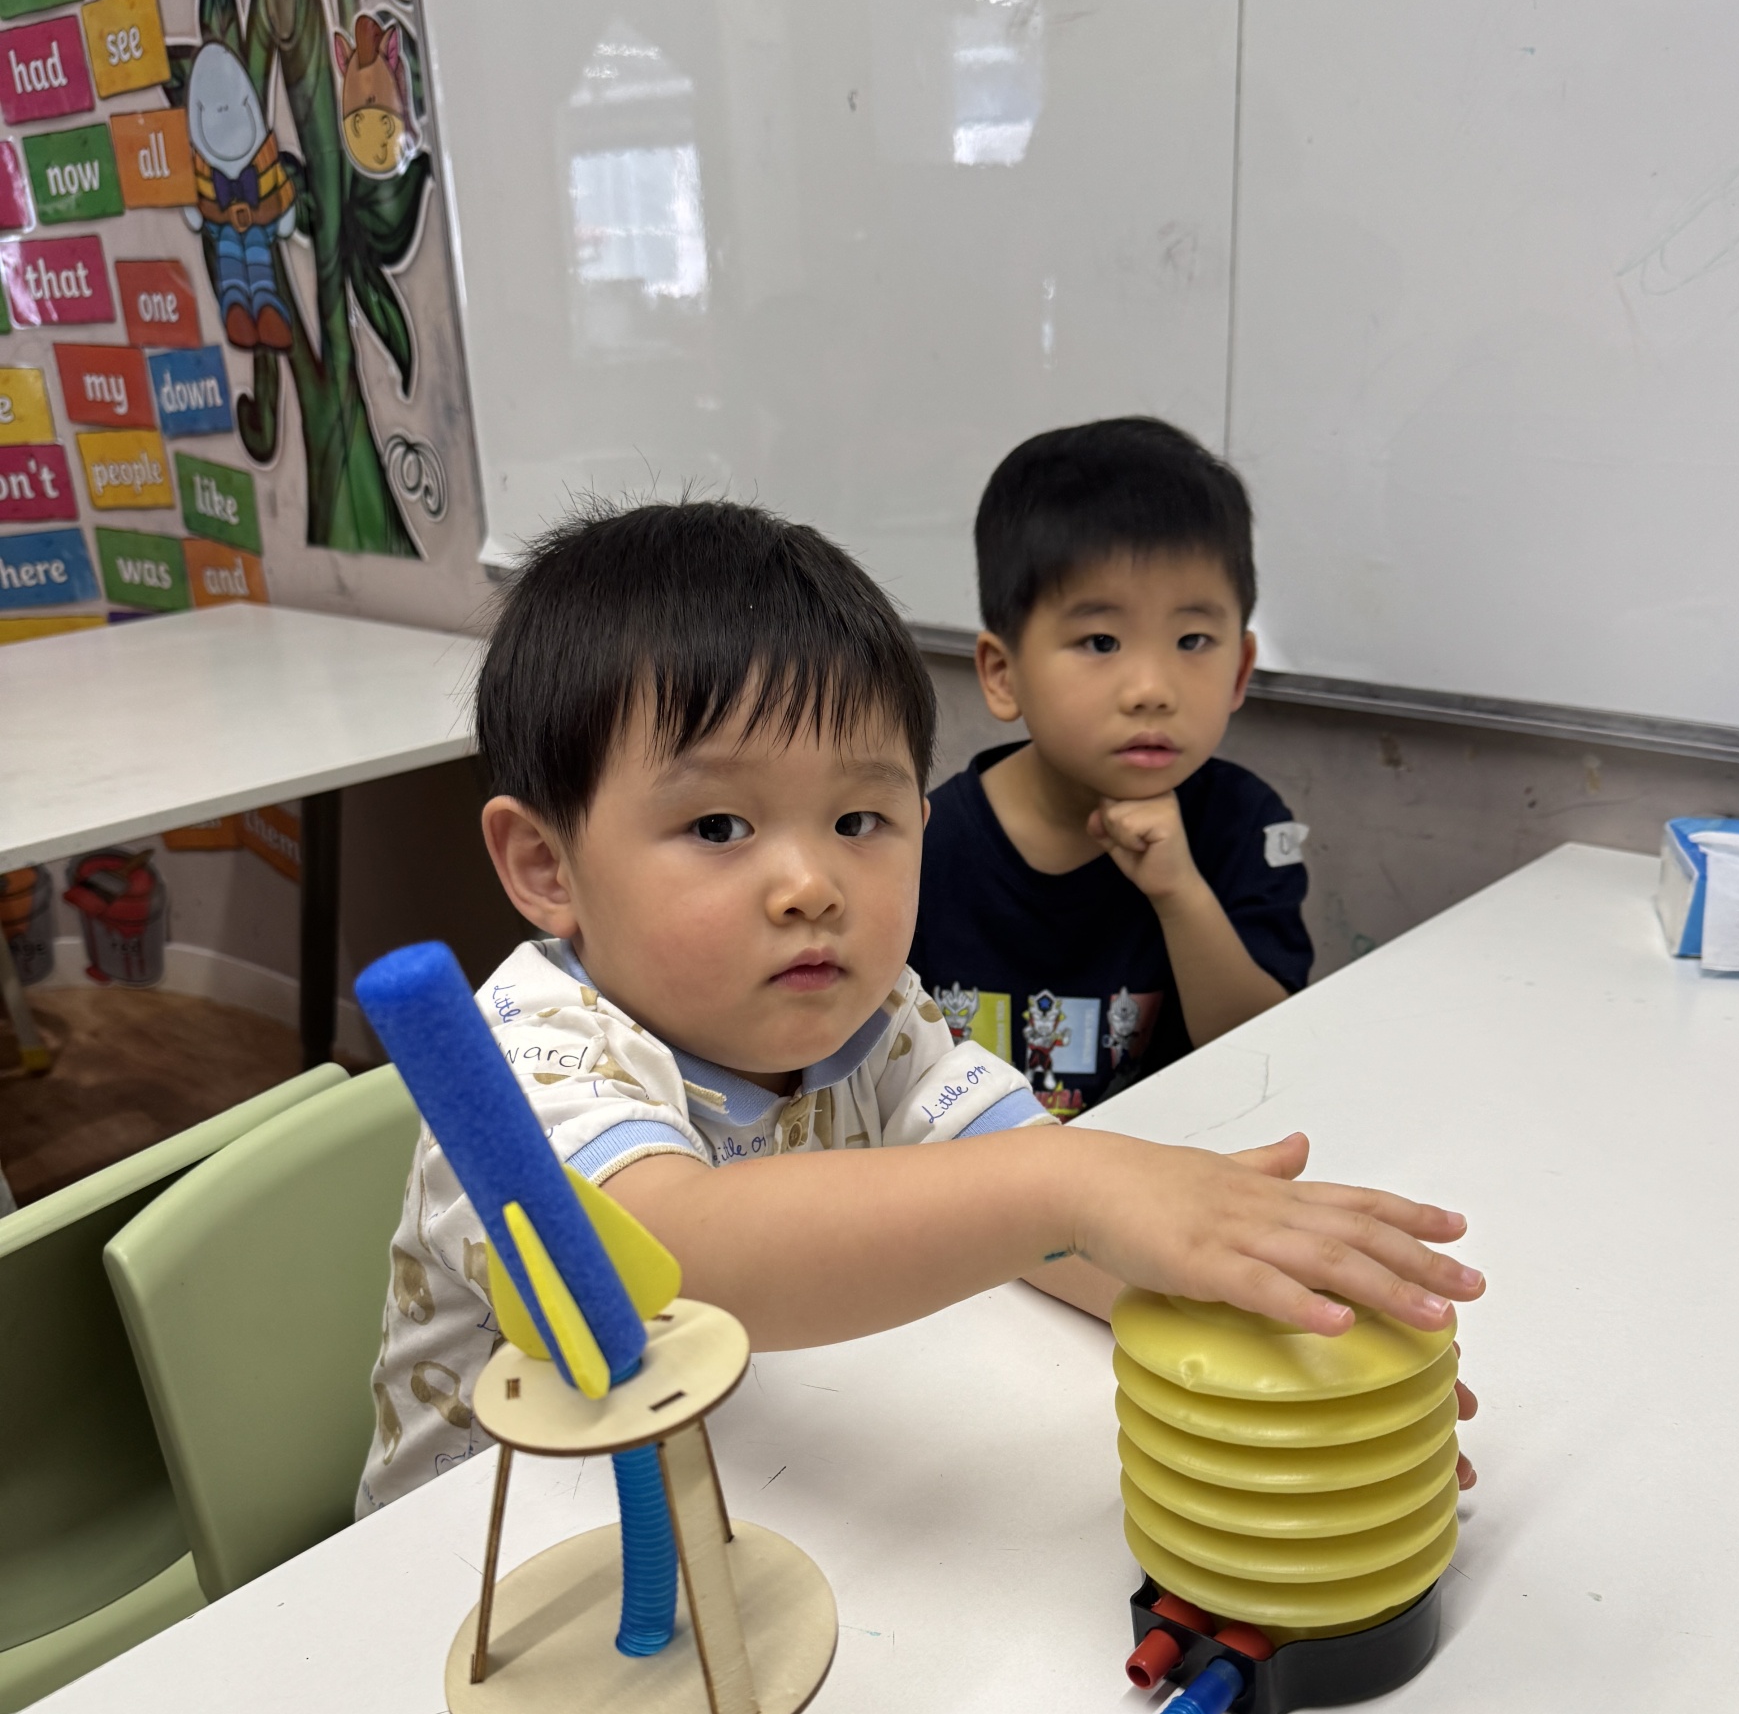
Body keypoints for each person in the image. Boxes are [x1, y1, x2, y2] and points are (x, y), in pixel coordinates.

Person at [359, 499, 1481, 1512]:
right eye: (718, 827)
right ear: (547, 865)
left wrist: (1252, 1329)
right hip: (472, 1566)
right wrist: (1077, 1184)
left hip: (735, 1497)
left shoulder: (876, 1017)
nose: (813, 886)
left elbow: (1041, 1215)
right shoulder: (525, 1049)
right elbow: (672, 1260)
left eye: (860, 822)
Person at [912, 417, 1307, 1115]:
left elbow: (1262, 1054)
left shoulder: (1243, 825)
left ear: (1241, 668)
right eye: (1101, 641)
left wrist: (1179, 893)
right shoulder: (921, 847)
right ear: (1003, 673)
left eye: (1193, 639)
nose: (1151, 689)